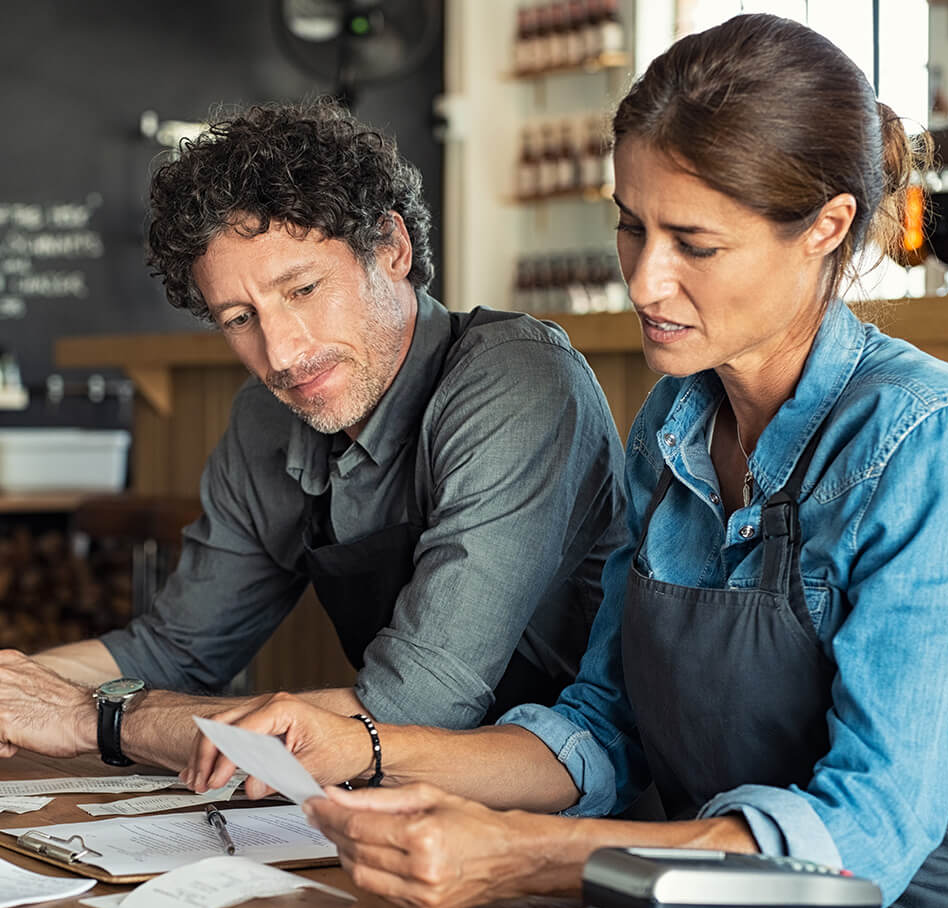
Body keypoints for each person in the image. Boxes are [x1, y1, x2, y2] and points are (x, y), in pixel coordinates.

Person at [184, 15, 948, 908]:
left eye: (694, 243)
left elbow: (870, 835)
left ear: (827, 227)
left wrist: (529, 857)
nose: (646, 282)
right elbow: (605, 730)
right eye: (630, 225)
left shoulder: (929, 435)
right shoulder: (672, 423)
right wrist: (365, 749)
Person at [0, 99, 626, 769]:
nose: (282, 353)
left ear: (391, 248)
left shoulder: (516, 381)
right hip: (396, 806)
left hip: (580, 816)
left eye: (301, 289)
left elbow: (412, 707)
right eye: (239, 318)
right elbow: (177, 649)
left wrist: (95, 719)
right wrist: (18, 689)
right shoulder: (266, 417)